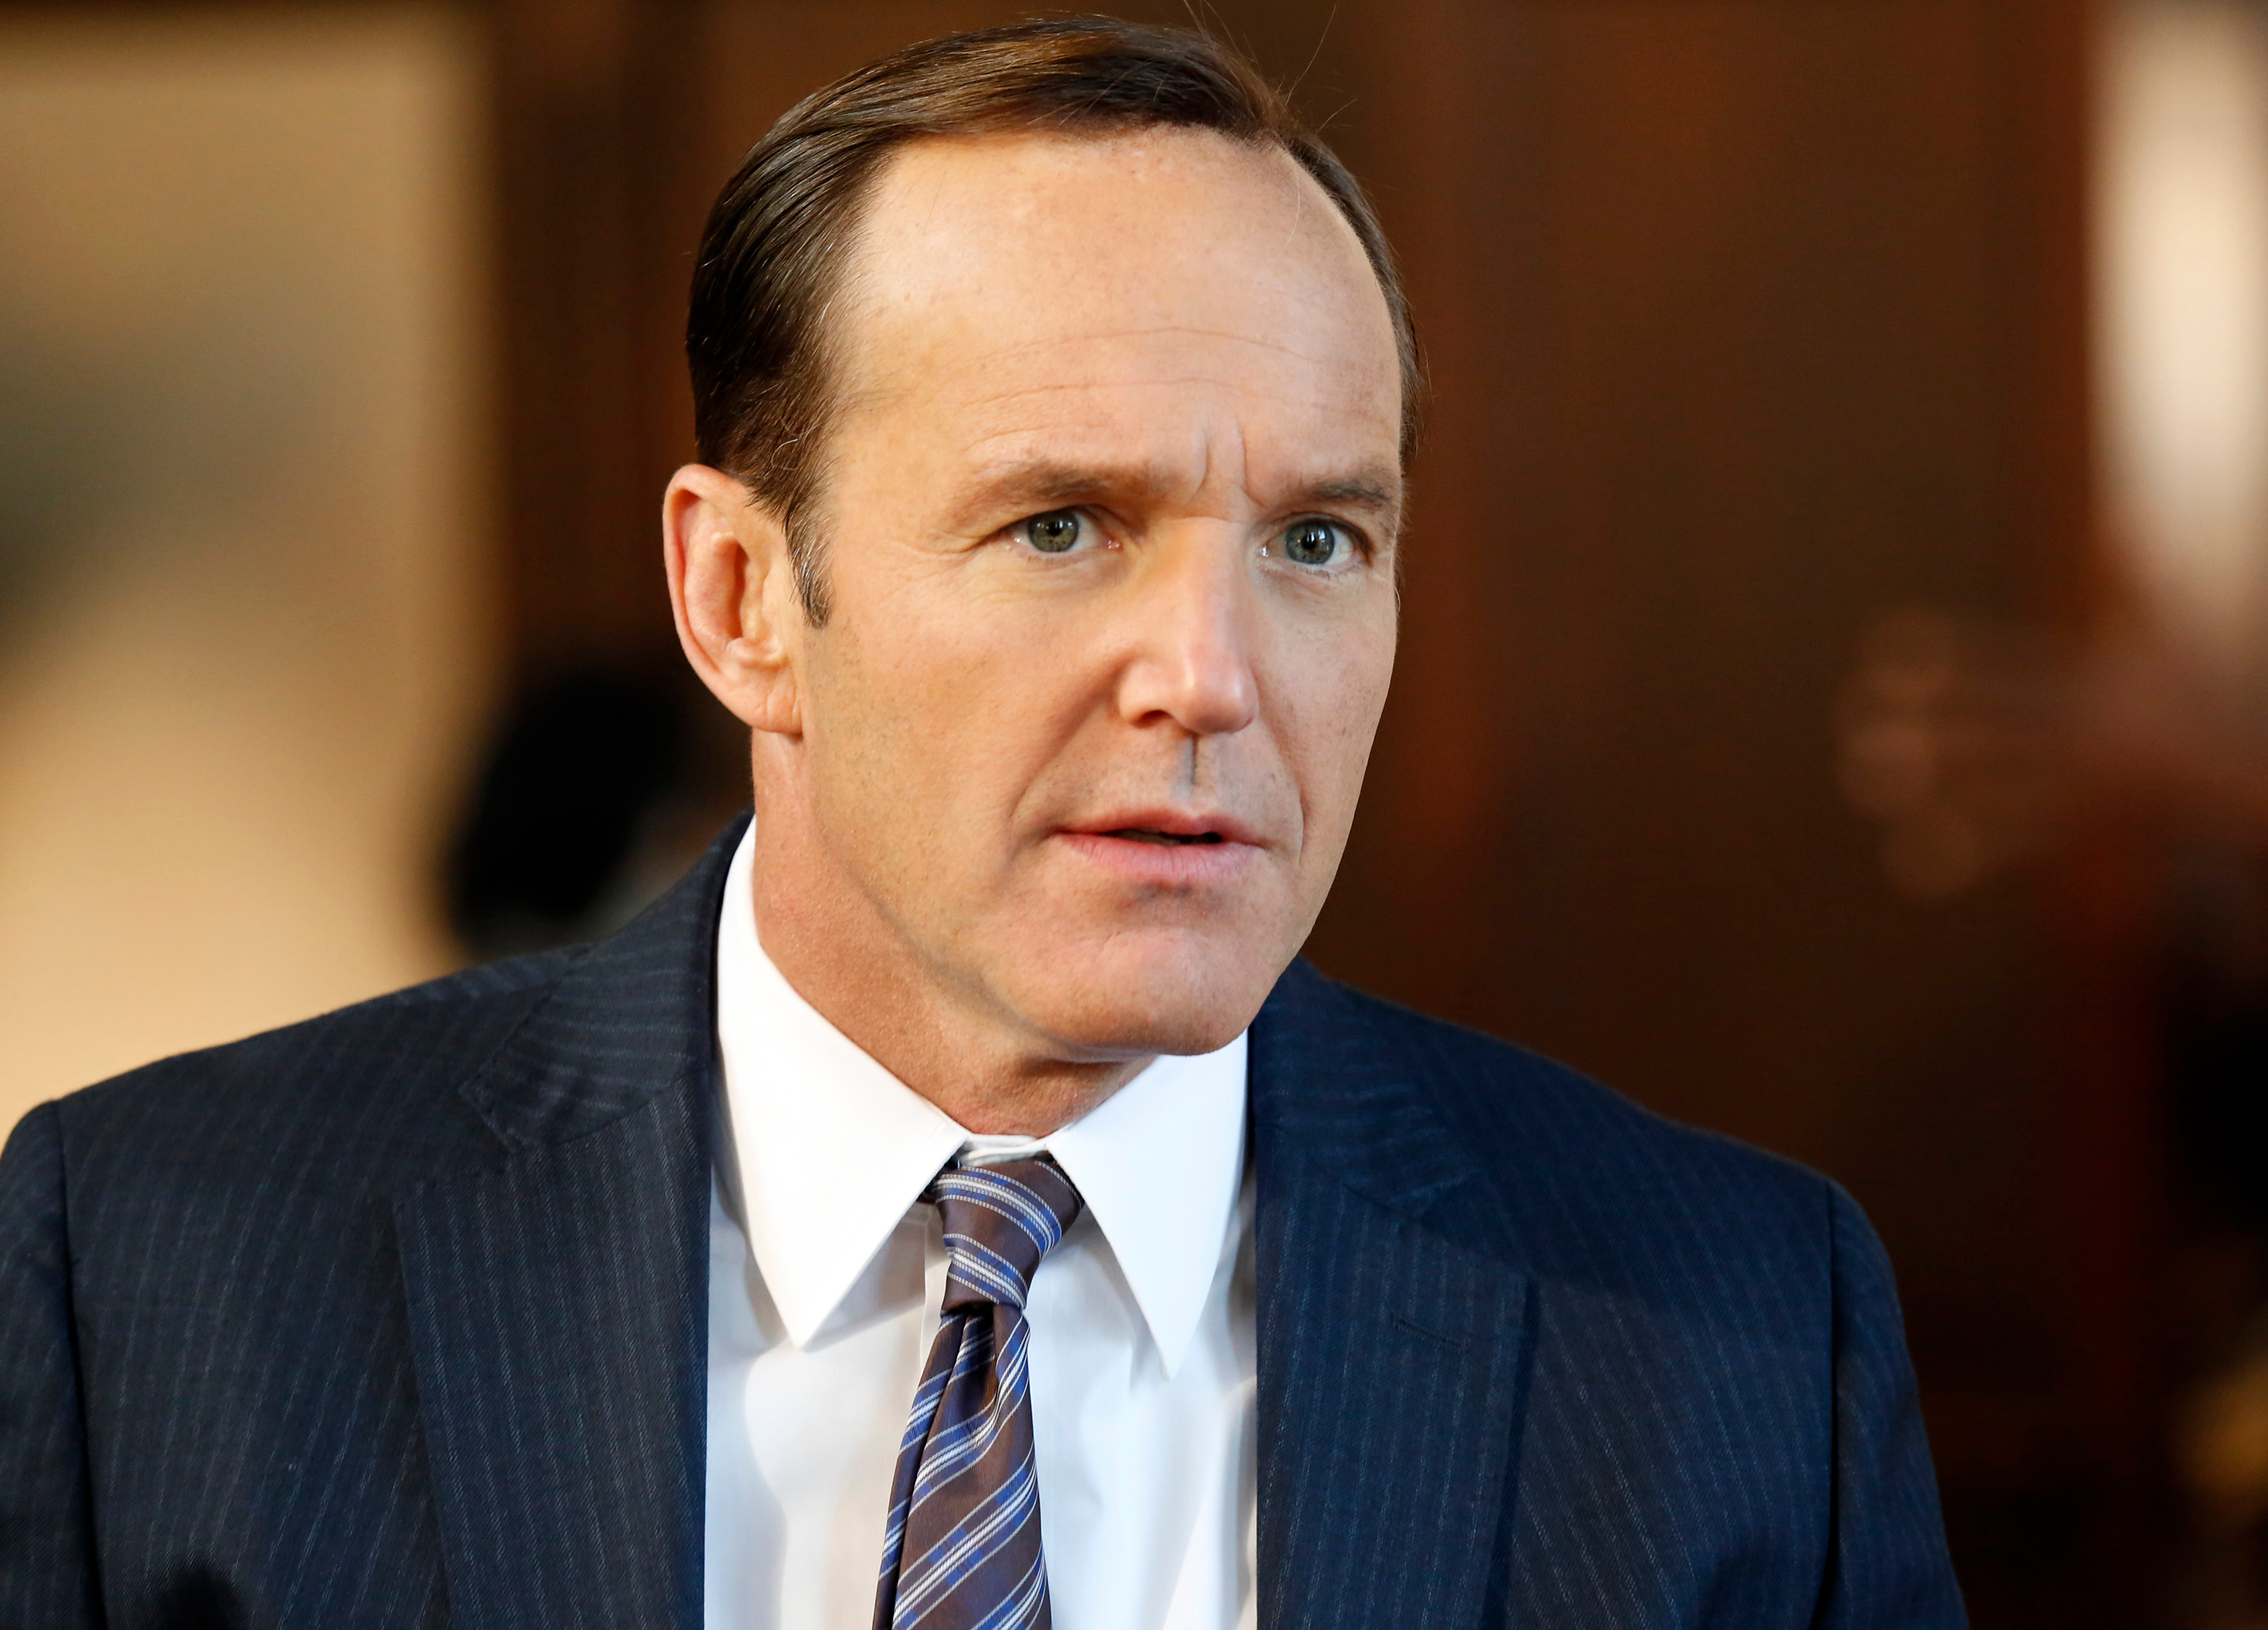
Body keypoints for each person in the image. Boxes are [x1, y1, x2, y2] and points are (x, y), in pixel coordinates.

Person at [0, 22, 1963, 1629]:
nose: (1211, 676)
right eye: (1061, 525)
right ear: (742, 601)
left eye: (1314, 539)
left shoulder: (1732, 1335)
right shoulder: (159, 1275)